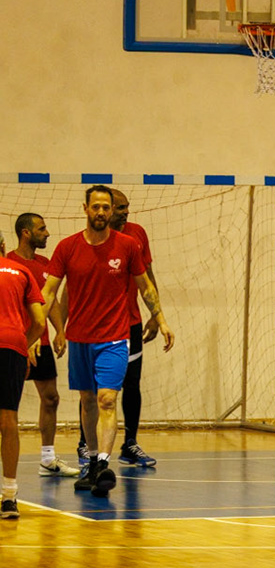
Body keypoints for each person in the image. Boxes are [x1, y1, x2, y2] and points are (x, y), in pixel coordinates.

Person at [41, 185, 174, 498]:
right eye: (96, 207)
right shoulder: (67, 247)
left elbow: (146, 287)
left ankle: (103, 463)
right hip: (79, 339)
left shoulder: (127, 246)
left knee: (107, 399)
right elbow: (49, 293)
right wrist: (41, 332)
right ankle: (91, 461)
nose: (101, 212)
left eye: (106, 207)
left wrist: (161, 319)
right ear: (85, 209)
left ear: (111, 210)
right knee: (87, 400)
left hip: (115, 338)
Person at [7, 214, 79, 478]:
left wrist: (60, 330)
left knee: (51, 398)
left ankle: (48, 459)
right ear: (25, 233)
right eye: (42, 229)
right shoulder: (9, 265)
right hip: (16, 343)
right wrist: (27, 338)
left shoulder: (45, 265)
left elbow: (51, 301)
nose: (47, 233)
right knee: (7, 407)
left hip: (42, 342)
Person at [107, 189, 158, 470]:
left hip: (131, 323)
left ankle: (130, 443)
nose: (126, 212)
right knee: (96, 389)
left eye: (127, 207)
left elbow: (147, 275)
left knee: (132, 383)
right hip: (101, 326)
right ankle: (86, 446)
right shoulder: (93, 239)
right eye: (120, 207)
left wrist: (156, 315)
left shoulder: (137, 234)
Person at [0, 245, 49, 520]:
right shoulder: (21, 271)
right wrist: (22, 345)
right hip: (12, 346)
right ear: (3, 247)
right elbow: (39, 322)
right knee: (9, 420)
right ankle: (9, 497)